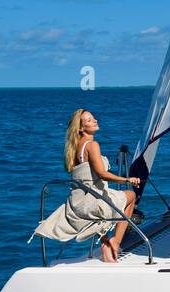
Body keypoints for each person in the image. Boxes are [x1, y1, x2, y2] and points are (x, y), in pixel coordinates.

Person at [33, 109, 141, 262]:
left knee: (111, 197)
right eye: (89, 120)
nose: (95, 120)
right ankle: (114, 243)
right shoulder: (92, 145)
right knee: (131, 196)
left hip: (76, 203)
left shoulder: (75, 148)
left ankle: (104, 242)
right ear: (81, 128)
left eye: (93, 118)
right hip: (93, 203)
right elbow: (102, 174)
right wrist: (127, 180)